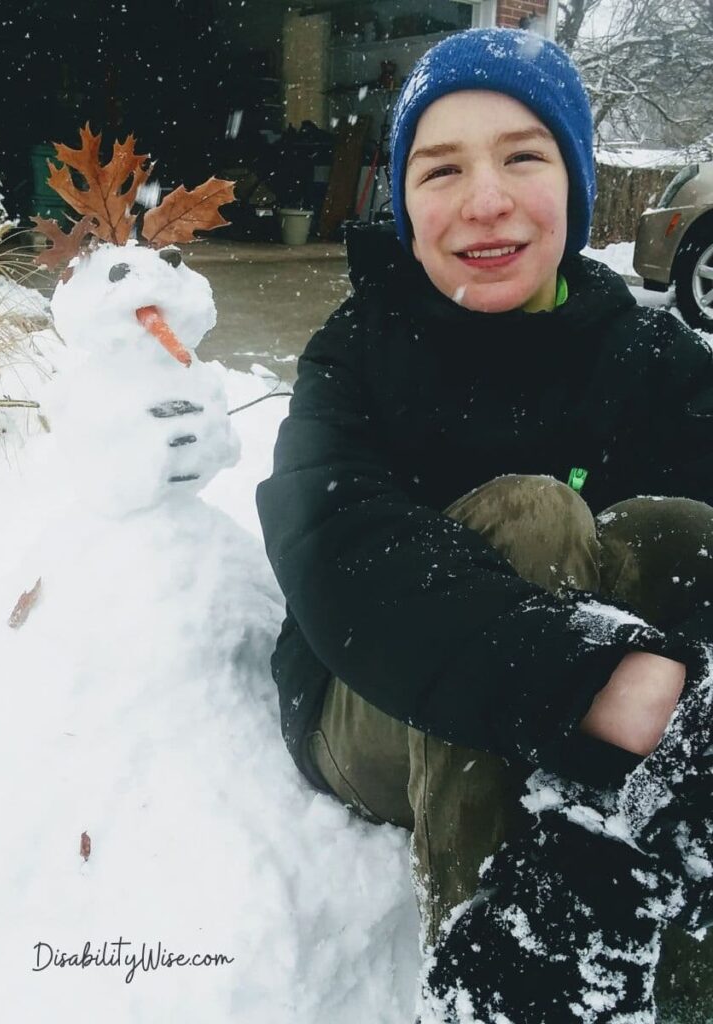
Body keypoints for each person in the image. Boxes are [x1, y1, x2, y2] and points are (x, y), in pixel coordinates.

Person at [256, 26, 713, 1022]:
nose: (486, 199)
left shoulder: (651, 355)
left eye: (522, 156)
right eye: (441, 167)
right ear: (405, 199)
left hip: (588, 679)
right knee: (534, 515)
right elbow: (338, 553)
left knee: (684, 530)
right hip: (366, 698)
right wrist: (588, 679)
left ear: (576, 181)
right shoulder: (355, 354)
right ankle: (502, 982)